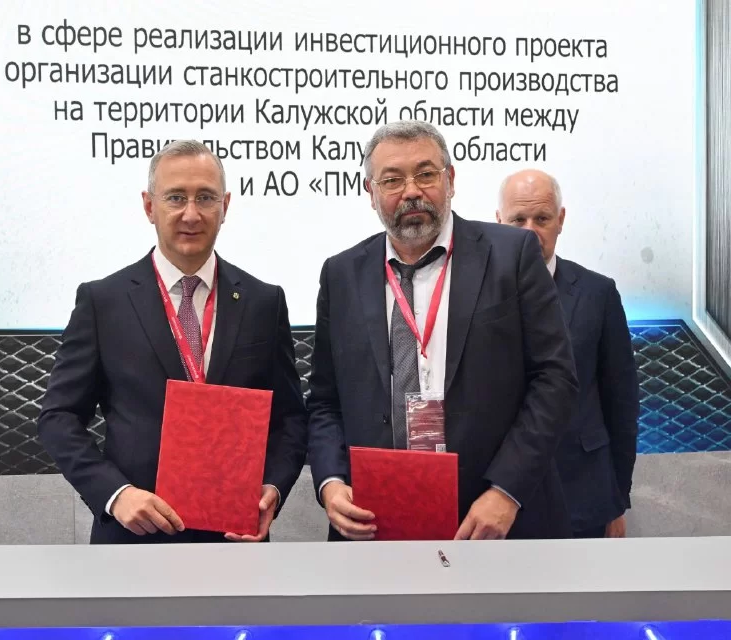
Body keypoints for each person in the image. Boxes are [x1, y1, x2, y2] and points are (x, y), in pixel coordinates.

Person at [306, 120, 579, 541]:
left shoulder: (512, 255)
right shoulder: (341, 274)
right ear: (370, 193)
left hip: (495, 519)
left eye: (426, 174)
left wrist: (506, 491)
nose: (411, 191)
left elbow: (555, 379)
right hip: (376, 520)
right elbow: (325, 401)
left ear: (450, 179)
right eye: (392, 180)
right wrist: (330, 482)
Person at [37, 140, 307, 544]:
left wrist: (274, 487)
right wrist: (115, 494)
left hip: (236, 539)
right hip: (132, 538)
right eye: (176, 197)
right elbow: (58, 418)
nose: (191, 214)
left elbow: (290, 419)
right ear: (149, 206)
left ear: (225, 206)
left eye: (206, 198)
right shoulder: (103, 302)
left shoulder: (264, 301)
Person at [496, 169, 639, 538]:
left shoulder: (598, 293)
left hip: (583, 494)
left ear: (560, 220)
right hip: (495, 499)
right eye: (518, 220)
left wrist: (616, 499)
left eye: (542, 218)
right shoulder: (475, 295)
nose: (529, 231)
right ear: (498, 223)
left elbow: (621, 403)